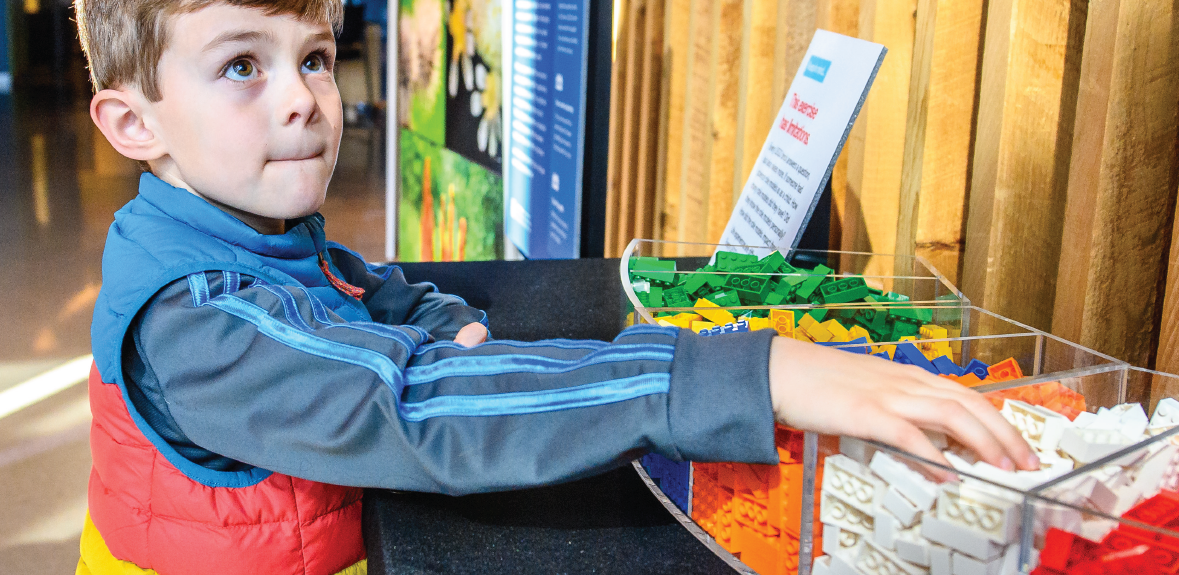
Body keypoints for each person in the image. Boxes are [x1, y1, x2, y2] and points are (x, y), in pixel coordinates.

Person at [73, 0, 1037, 573]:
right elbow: (410, 403)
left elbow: (350, 289)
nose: (304, 96)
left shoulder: (241, 228)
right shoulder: (193, 321)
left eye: (315, 56)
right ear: (133, 123)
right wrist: (734, 376)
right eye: (242, 65)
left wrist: (440, 315)